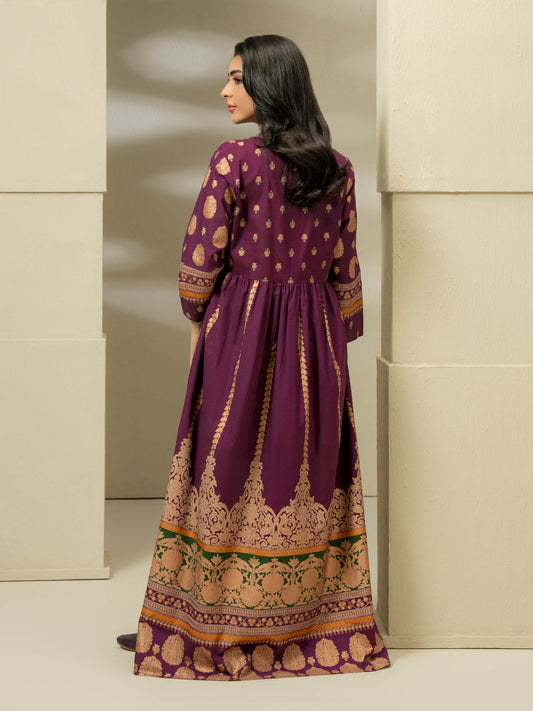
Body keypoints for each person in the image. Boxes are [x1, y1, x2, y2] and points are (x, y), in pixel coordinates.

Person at [117, 34, 391, 680]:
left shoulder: (234, 160)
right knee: (303, 474)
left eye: (237, 78)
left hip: (240, 335)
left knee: (224, 472)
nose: (224, 90)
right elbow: (345, 270)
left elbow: (199, 260)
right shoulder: (338, 169)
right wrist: (336, 333)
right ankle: (309, 631)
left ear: (270, 85)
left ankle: (200, 628)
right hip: (315, 342)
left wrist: (198, 321)